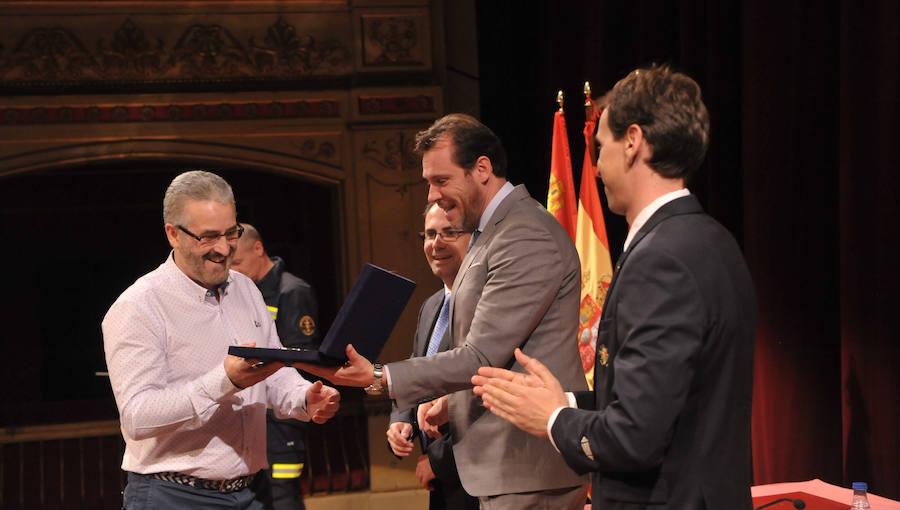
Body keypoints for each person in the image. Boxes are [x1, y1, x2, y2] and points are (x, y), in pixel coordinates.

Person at [472, 65, 758, 510]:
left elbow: (634, 438)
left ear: (633, 142)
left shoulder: (662, 260)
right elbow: (667, 403)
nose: (596, 165)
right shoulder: (714, 242)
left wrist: (553, 418)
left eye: (598, 146)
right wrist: (564, 398)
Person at [297, 114, 589, 509]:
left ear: (482, 169)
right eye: (428, 183)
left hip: (526, 468)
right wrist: (451, 403)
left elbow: (481, 355)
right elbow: (502, 358)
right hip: (505, 470)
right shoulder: (494, 233)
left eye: (441, 180)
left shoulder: (524, 234)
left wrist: (380, 377)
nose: (432, 195)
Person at [102, 170, 340, 510]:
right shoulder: (138, 307)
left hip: (254, 492)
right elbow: (138, 418)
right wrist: (224, 381)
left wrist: (304, 397)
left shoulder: (247, 290)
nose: (224, 248)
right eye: (208, 237)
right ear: (173, 234)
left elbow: (274, 373)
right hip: (172, 496)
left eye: (231, 233)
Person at [386, 202, 478, 510]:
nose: (435, 243)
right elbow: (417, 372)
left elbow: (483, 398)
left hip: (475, 479)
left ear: (474, 238)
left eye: (448, 233)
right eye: (429, 234)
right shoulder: (430, 306)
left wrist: (438, 461)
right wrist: (402, 422)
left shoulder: (486, 305)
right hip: (440, 485)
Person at [231, 223, 320, 510]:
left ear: (259, 249)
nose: (234, 271)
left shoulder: (292, 291)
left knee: (283, 498)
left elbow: (301, 358)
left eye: (238, 263)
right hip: (253, 420)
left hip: (283, 422)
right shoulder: (242, 293)